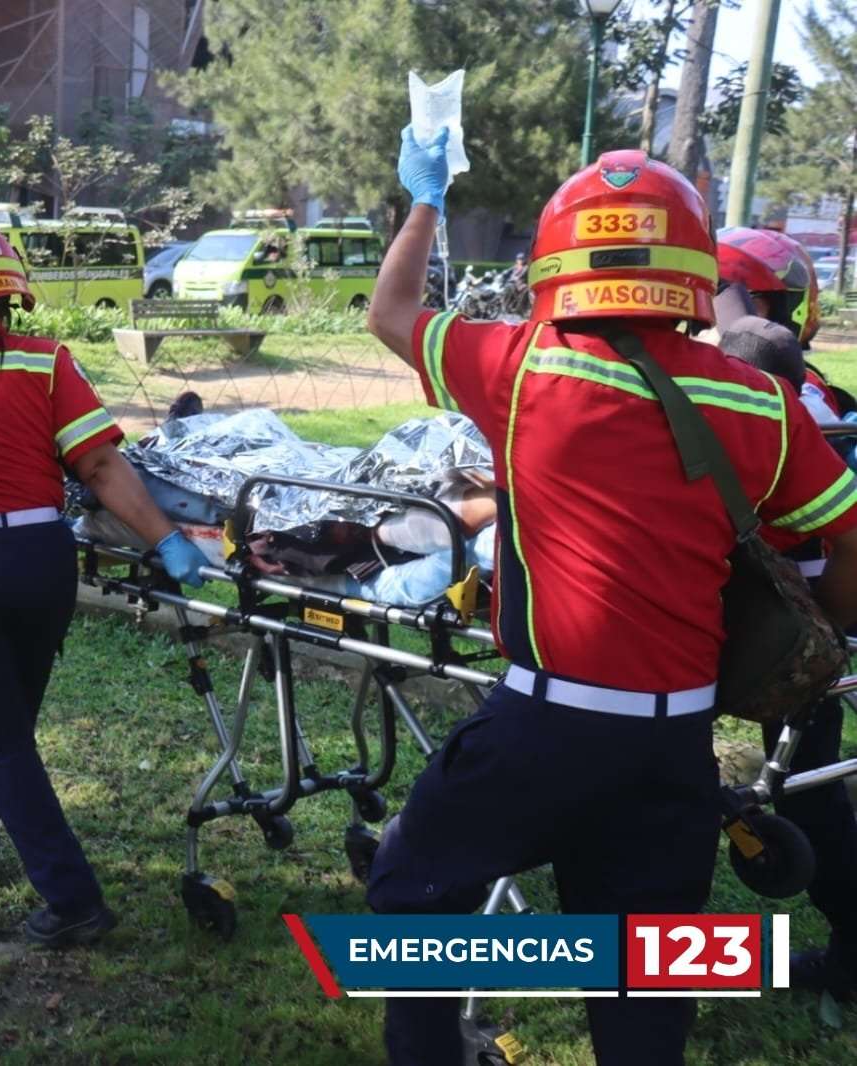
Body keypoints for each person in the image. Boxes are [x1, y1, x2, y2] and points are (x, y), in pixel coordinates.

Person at [365, 134, 857, 1065]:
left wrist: (425, 199)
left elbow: (390, 312)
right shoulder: (763, 404)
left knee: (409, 894)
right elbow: (848, 538)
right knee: (644, 979)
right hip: (674, 748)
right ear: (694, 271)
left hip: (542, 729)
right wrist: (828, 619)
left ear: (554, 264)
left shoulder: (519, 367)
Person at [0, 220, 205, 948]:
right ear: (9, 289)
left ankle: (72, 899)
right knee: (1, 719)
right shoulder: (46, 362)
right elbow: (99, 466)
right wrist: (167, 539)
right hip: (39, 562)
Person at [716, 240, 857, 1004]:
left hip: (758, 619)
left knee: (803, 790)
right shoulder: (818, 394)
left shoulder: (755, 399)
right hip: (793, 616)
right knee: (806, 783)